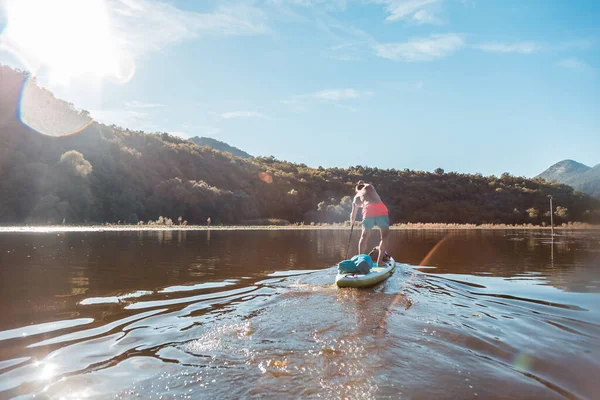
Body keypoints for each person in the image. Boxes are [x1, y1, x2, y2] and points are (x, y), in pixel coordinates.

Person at [350, 180, 390, 266]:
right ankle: (379, 262)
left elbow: (352, 215)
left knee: (364, 236)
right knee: (384, 237)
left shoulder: (356, 198)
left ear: (356, 190)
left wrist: (352, 223)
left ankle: (361, 261)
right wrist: (361, 182)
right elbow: (363, 185)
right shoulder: (369, 186)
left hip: (368, 210)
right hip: (380, 209)